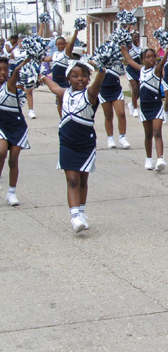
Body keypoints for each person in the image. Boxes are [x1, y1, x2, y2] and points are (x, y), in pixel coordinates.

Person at [41, 61, 106, 234]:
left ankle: (81, 213)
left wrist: (102, 68)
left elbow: (98, 82)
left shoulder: (90, 95)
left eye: (84, 76)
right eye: (75, 76)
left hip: (86, 144)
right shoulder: (65, 93)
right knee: (72, 179)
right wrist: (43, 78)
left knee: (83, 180)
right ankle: (75, 216)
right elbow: (54, 87)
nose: (80, 79)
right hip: (67, 143)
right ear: (68, 78)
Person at [120, 45, 168, 172]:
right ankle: (149, 159)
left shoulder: (156, 70)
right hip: (145, 107)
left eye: (153, 57)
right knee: (148, 134)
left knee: (157, 132)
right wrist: (123, 49)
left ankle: (160, 159)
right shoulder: (141, 70)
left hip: (156, 106)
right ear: (143, 59)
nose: (151, 59)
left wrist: (167, 52)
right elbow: (130, 61)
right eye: (148, 57)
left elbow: (162, 63)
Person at [0, 56, 31, 206]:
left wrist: (18, 68)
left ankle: (11, 193)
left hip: (17, 127)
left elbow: (15, 76)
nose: (3, 72)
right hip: (1, 126)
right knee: (1, 152)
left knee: (13, 159)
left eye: (6, 69)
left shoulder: (10, 86)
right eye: (0, 70)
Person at [95, 50, 130, 150]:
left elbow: (122, 71)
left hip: (116, 89)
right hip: (104, 90)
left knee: (121, 113)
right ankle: (110, 138)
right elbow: (93, 63)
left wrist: (120, 60)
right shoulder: (101, 61)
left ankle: (122, 138)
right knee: (108, 115)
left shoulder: (116, 61)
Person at [43, 32, 80, 117]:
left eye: (62, 44)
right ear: (56, 45)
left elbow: (72, 43)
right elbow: (47, 59)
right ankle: (62, 118)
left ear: (65, 45)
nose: (60, 46)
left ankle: (70, 116)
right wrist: (36, 57)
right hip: (55, 80)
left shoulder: (66, 53)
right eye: (58, 44)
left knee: (67, 99)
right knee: (59, 100)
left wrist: (76, 32)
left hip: (64, 80)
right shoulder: (55, 54)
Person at [125, 31, 142, 118]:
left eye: (138, 37)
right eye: (135, 37)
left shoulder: (139, 47)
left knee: (139, 91)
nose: (137, 38)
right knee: (134, 88)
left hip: (138, 70)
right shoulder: (130, 46)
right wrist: (128, 27)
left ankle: (131, 104)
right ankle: (135, 109)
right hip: (131, 70)